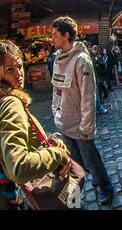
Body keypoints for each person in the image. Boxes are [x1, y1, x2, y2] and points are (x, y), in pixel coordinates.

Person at [0, 40, 71, 209]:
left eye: (19, 66)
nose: (19, 74)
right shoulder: (11, 103)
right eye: (11, 69)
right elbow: (18, 167)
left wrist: (46, 143)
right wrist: (57, 154)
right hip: (29, 193)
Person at [51, 17, 113, 204]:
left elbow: (88, 99)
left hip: (80, 127)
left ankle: (105, 186)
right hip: (64, 123)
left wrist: (87, 129)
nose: (51, 38)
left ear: (66, 35)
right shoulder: (57, 59)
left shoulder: (81, 61)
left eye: (54, 34)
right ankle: (94, 177)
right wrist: (55, 112)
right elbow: (56, 91)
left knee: (91, 158)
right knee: (78, 160)